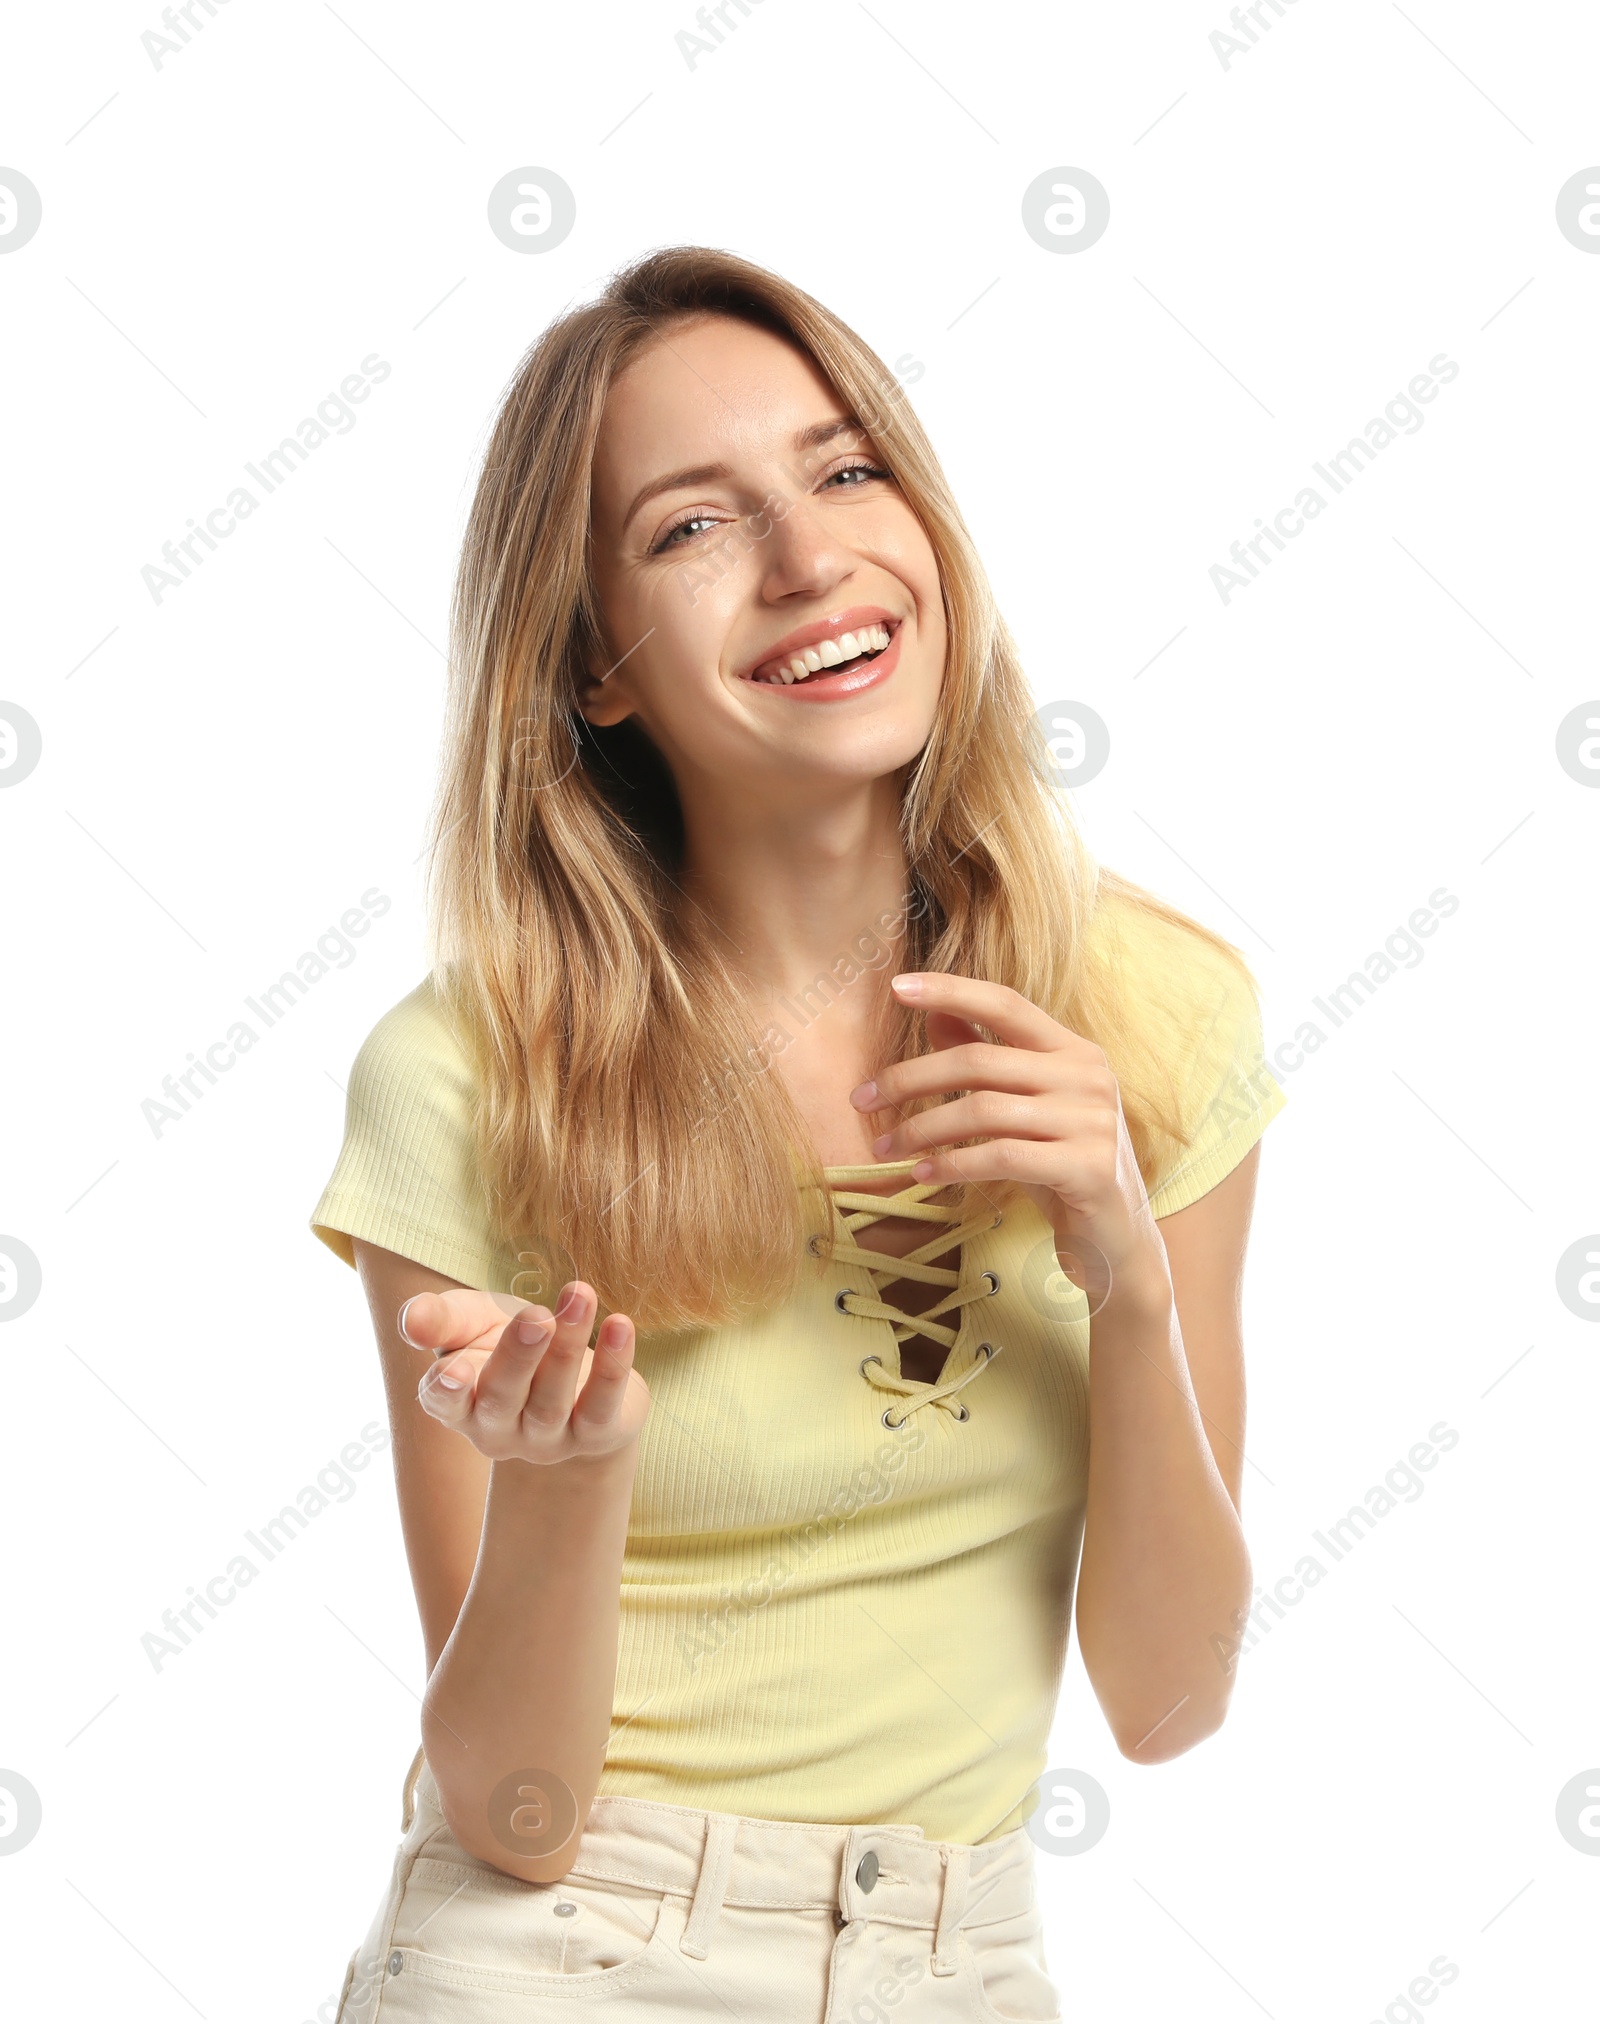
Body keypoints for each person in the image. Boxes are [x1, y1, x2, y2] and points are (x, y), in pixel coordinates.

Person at [309, 244, 1287, 2022]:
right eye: (691, 526)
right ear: (596, 666)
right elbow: (514, 1813)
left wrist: (1126, 1276)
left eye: (847, 470)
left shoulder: (1154, 1013)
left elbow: (1168, 1706)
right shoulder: (471, 1077)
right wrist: (569, 1471)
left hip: (957, 1956)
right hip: (562, 1951)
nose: (810, 558)